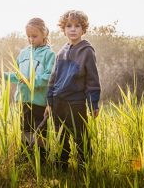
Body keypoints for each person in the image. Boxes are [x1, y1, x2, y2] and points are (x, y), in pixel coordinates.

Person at [46, 10, 101, 170]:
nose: (73, 29)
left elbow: (92, 79)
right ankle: (62, 165)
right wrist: (49, 101)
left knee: (80, 136)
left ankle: (84, 167)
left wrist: (93, 103)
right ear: (63, 29)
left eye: (77, 26)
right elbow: (53, 77)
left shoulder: (87, 51)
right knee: (60, 135)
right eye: (69, 26)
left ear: (83, 29)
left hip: (76, 102)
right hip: (58, 101)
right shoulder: (61, 51)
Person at [0, 18, 55, 152]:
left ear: (44, 33)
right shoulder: (23, 53)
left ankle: (41, 160)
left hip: (40, 102)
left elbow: (49, 77)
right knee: (25, 131)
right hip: (23, 100)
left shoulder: (49, 54)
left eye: (34, 36)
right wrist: (2, 75)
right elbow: (18, 77)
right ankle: (25, 157)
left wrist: (30, 80)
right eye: (28, 36)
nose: (31, 39)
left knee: (40, 133)